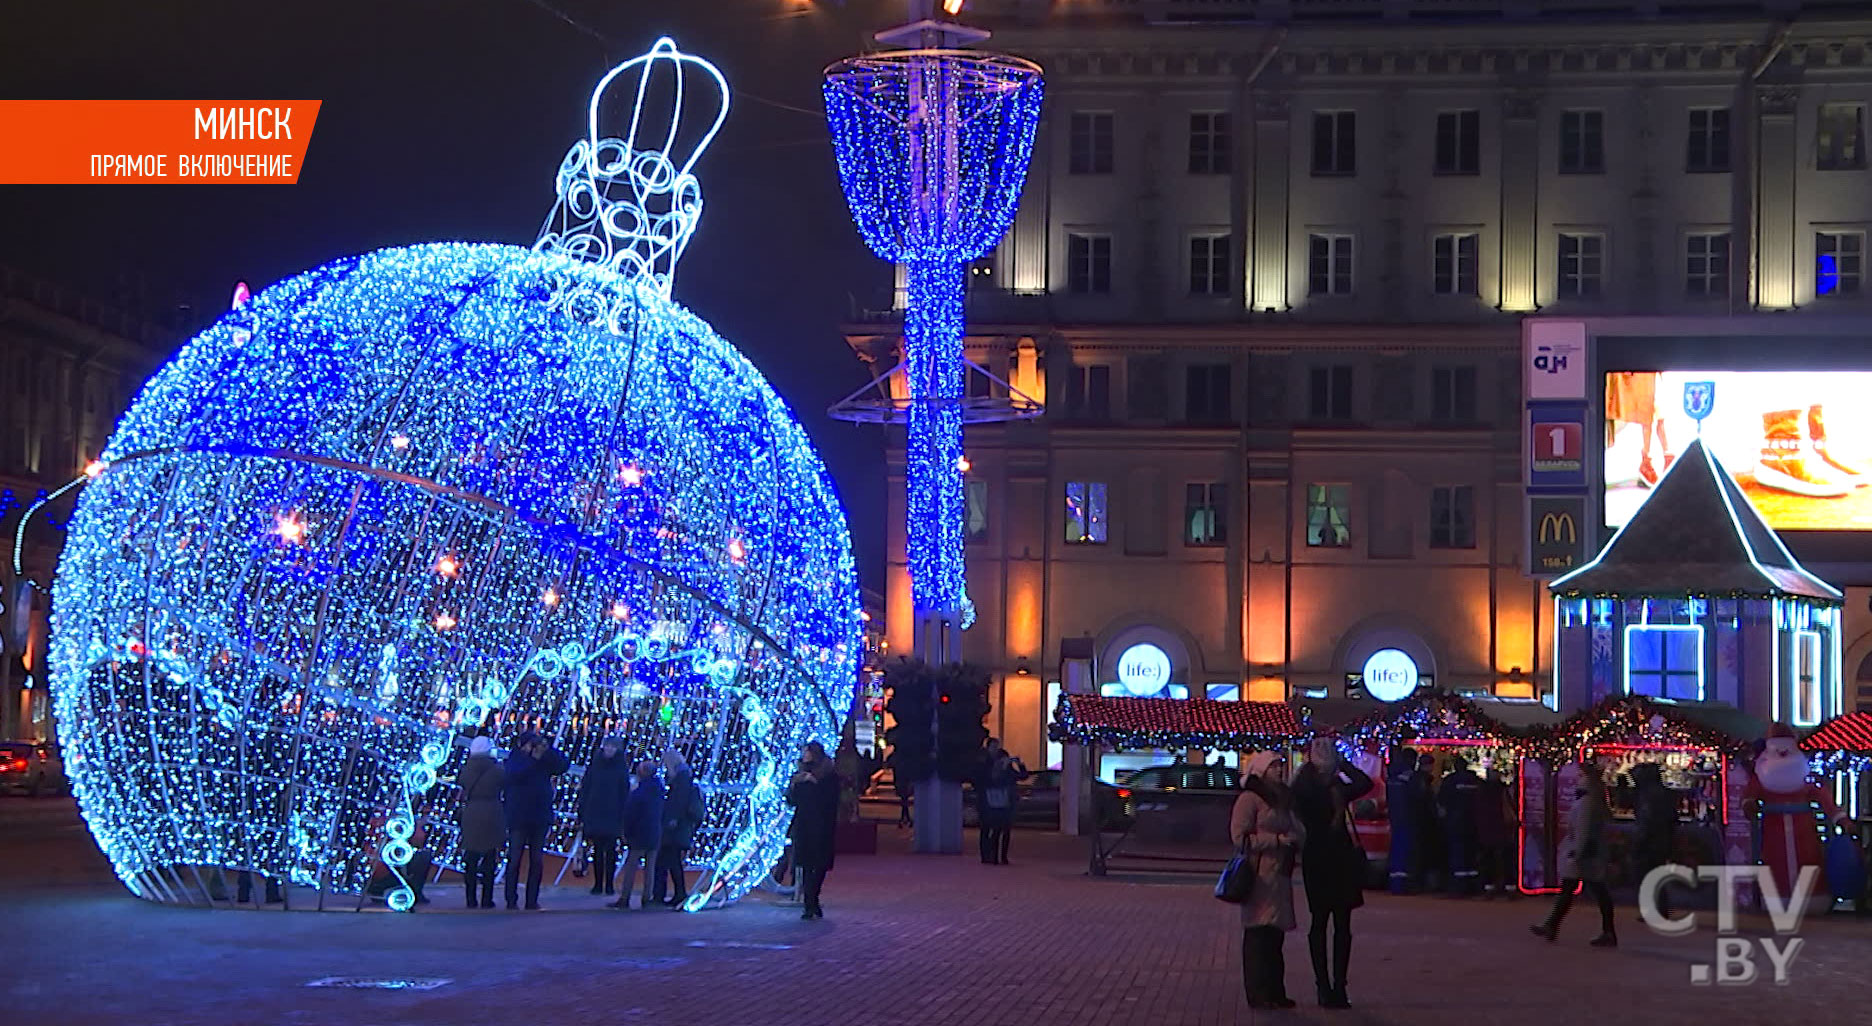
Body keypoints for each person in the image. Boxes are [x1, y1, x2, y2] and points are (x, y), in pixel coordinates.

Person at [1289, 737, 1374, 1010]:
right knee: (1323, 922)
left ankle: (1337, 984)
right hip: (1322, 856)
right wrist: (1341, 768)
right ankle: (1325, 985)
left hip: (1337, 857)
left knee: (1340, 925)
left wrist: (1342, 765)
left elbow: (1365, 783)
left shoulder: (1330, 785)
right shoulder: (1307, 786)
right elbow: (1361, 784)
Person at [1232, 750, 1304, 1011]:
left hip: (1279, 873)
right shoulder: (1250, 799)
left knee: (1275, 937)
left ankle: (1275, 990)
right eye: (1274, 766)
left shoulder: (1282, 798)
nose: (1279, 771)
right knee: (1257, 935)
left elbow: (1293, 826)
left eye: (1280, 766)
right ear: (1261, 770)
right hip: (1259, 874)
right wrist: (1275, 841)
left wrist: (1296, 837)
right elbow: (1240, 837)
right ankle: (1258, 992)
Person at [1531, 761, 1616, 947]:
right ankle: (1552, 925)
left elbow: (1583, 829)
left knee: (1579, 891)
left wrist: (1577, 852)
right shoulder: (1594, 800)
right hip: (1589, 853)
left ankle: (1552, 925)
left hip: (1584, 854)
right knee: (1584, 891)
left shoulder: (1586, 802)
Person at [502, 731, 570, 911]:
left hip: (539, 815)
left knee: (536, 860)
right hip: (519, 814)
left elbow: (563, 766)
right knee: (514, 858)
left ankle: (532, 899)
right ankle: (511, 899)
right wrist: (533, 759)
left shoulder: (544, 759)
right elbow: (512, 775)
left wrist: (548, 751)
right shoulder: (516, 758)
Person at [786, 741, 842, 920]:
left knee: (820, 865)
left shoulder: (828, 774)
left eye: (807, 752)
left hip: (822, 824)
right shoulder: (799, 774)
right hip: (804, 824)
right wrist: (795, 785)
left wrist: (815, 783)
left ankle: (813, 899)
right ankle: (809, 904)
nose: (804, 755)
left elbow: (831, 799)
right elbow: (791, 800)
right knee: (806, 864)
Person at [577, 736, 630, 897]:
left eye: (612, 747)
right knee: (598, 850)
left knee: (610, 851)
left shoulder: (621, 769)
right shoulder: (594, 766)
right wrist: (583, 811)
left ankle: (609, 884)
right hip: (595, 812)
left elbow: (624, 793)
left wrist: (623, 815)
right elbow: (585, 789)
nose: (609, 750)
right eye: (607, 746)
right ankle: (598, 883)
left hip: (612, 814)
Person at [456, 734, 505, 909]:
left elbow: (462, 783)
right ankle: (487, 898)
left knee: (470, 856)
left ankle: (470, 898)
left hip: (471, 812)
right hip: (492, 811)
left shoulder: (466, 769)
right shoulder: (498, 769)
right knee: (489, 857)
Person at [654, 748, 706, 908]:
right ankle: (673, 893)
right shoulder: (684, 777)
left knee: (668, 860)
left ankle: (673, 893)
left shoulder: (680, 780)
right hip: (679, 827)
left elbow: (678, 803)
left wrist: (672, 820)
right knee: (670, 861)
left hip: (675, 828)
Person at [612, 758, 665, 909]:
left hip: (639, 834)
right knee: (650, 868)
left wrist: (626, 833)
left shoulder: (638, 793)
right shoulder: (659, 792)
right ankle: (646, 897)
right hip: (654, 832)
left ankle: (625, 897)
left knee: (631, 866)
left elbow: (630, 814)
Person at [1630, 762, 1678, 917]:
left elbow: (1646, 820)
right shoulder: (1662, 793)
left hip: (1650, 840)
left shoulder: (1647, 794)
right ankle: (1660, 908)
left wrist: (1640, 841)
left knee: (1646, 876)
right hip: (1662, 840)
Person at [976, 739, 1030, 866]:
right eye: (993, 746)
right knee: (989, 829)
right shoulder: (984, 762)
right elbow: (987, 779)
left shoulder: (1006, 766)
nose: (995, 749)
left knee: (1004, 829)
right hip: (990, 801)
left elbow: (1022, 776)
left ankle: (1002, 856)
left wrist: (1019, 764)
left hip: (1005, 801)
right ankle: (988, 856)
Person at [1438, 759, 1482, 897]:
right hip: (1474, 822)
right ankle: (1473, 885)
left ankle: (1458, 886)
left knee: (1457, 853)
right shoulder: (1476, 781)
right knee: (1472, 854)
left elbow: (1441, 801)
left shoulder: (1449, 781)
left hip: (1455, 822)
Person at [1474, 766, 1517, 900]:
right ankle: (1510, 887)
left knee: (1488, 858)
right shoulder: (1504, 790)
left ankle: (1489, 886)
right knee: (1507, 858)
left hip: (1487, 829)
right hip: (1503, 829)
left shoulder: (1481, 791)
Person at [1384, 747, 1422, 894]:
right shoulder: (1412, 777)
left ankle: (1395, 883)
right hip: (1409, 817)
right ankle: (1404, 884)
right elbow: (1418, 797)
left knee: (1396, 848)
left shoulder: (1392, 776)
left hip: (1395, 817)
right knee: (1407, 850)